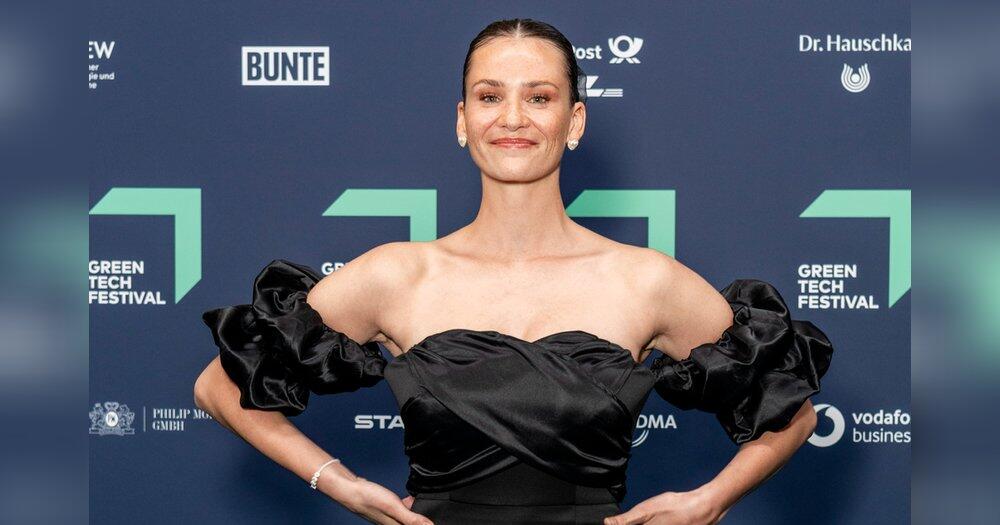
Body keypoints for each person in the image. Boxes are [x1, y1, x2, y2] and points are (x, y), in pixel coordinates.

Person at [193, 18, 833, 525]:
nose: (513, 118)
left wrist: (709, 502)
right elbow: (218, 388)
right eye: (489, 96)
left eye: (540, 97)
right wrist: (338, 482)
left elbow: (793, 411)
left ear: (574, 121)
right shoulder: (398, 275)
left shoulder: (644, 281)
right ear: (462, 120)